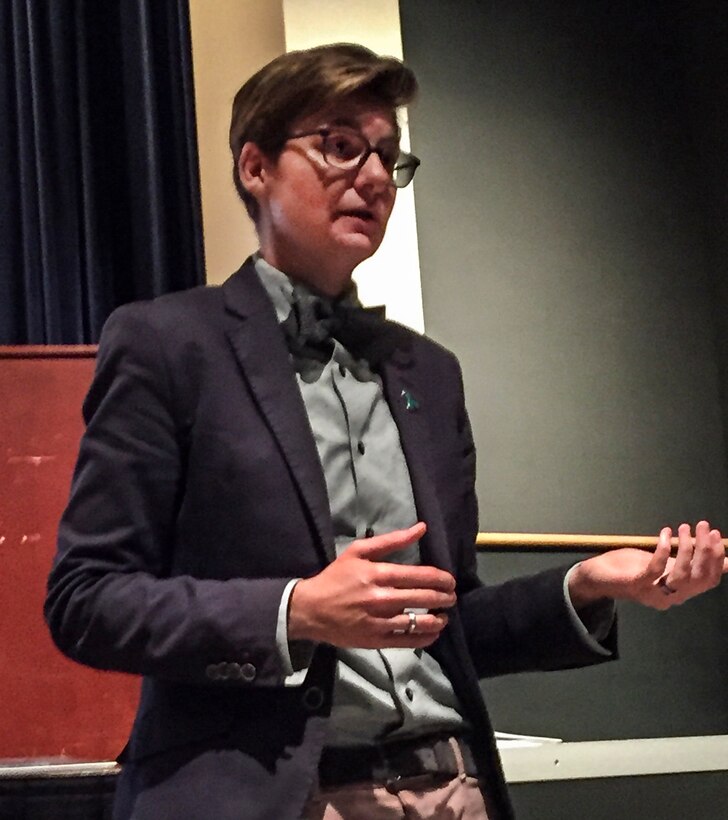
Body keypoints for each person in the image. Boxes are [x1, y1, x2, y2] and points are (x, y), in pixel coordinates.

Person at [45, 44, 727, 820]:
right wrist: (294, 609)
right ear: (255, 166)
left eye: (388, 157)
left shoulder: (426, 373)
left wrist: (587, 585)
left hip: (453, 791)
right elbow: (86, 600)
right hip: (271, 798)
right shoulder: (169, 345)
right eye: (340, 146)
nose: (372, 177)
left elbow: (448, 620)